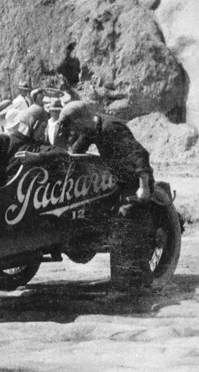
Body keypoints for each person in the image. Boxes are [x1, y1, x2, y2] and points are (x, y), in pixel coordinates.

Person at [57, 101, 156, 291]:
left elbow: (140, 154)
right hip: (118, 183)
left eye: (73, 125)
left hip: (135, 183)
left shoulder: (111, 128)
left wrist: (143, 186)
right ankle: (141, 279)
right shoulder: (90, 129)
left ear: (82, 118)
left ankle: (122, 288)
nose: (73, 131)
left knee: (121, 224)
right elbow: (76, 152)